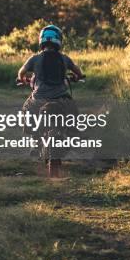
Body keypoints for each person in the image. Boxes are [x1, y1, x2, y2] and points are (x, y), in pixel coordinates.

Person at [17, 24, 85, 177]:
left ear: (41, 41)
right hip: (61, 99)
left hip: (38, 100)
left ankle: (34, 139)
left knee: (25, 109)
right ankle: (72, 134)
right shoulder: (64, 58)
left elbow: (21, 72)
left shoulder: (35, 58)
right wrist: (78, 77)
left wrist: (22, 79)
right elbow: (78, 72)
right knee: (74, 113)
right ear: (59, 41)